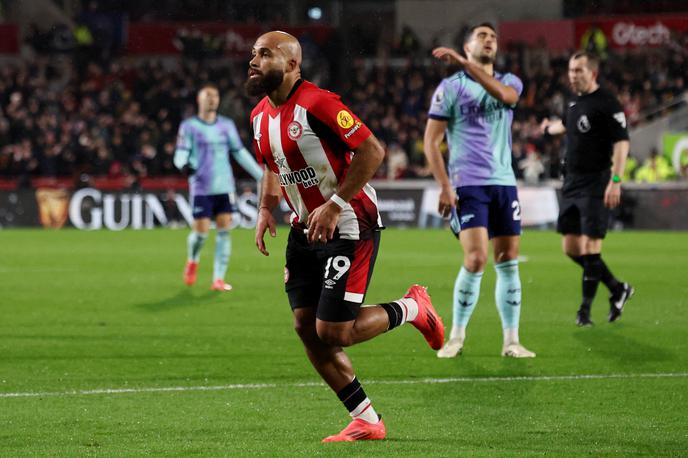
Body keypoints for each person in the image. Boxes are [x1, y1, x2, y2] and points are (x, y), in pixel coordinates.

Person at [248, 31, 444, 442]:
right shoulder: (258, 116)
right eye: (253, 54)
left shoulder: (318, 103)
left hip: (349, 223)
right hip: (304, 230)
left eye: (265, 54)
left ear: (292, 64)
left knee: (333, 332)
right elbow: (271, 165)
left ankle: (412, 307)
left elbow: (372, 150)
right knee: (305, 327)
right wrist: (266, 209)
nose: (254, 61)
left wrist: (335, 203)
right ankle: (367, 420)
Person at [423, 23, 536, 359]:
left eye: (493, 37)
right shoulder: (450, 88)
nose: (490, 40)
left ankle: (511, 341)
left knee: (508, 259)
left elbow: (508, 98)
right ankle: (456, 336)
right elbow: (432, 141)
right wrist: (445, 186)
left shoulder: (509, 81)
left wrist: (464, 63)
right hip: (468, 184)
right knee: (475, 259)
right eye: (482, 36)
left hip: (504, 183)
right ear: (468, 45)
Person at [540, 51, 634, 326]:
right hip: (572, 183)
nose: (573, 75)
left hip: (596, 182)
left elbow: (622, 143)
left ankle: (584, 312)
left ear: (592, 73)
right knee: (570, 248)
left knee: (591, 248)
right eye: (571, 70)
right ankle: (618, 288)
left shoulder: (608, 103)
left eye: (579, 70)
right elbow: (566, 126)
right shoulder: (575, 103)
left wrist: (615, 181)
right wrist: (547, 130)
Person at [174, 83, 263, 291]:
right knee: (201, 234)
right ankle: (192, 260)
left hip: (225, 186)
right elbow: (181, 151)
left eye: (215, 95)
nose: (212, 99)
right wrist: (183, 164)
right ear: (199, 99)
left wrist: (261, 175)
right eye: (208, 95)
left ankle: (218, 279)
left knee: (224, 231)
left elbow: (239, 152)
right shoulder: (189, 127)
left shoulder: (226, 125)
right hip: (201, 187)